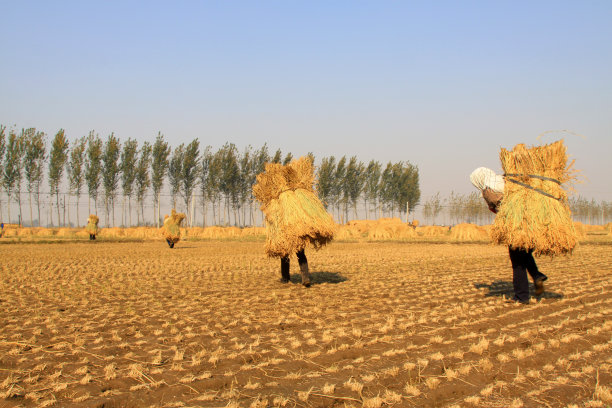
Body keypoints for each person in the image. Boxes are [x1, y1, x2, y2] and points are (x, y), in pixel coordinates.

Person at [470, 167, 547, 304]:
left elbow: (496, 208)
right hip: (529, 224)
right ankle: (537, 275)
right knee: (525, 253)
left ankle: (521, 297)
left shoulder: (490, 190)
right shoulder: (508, 181)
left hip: (515, 227)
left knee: (517, 262)